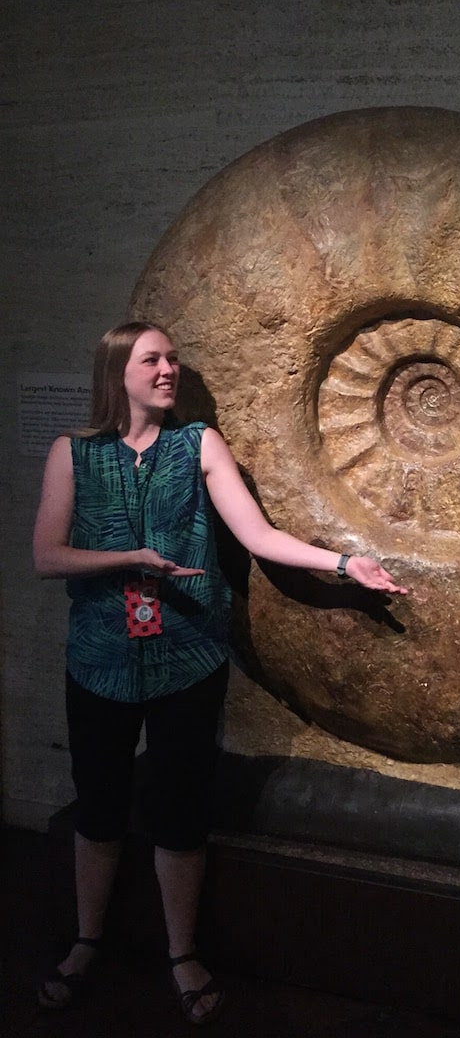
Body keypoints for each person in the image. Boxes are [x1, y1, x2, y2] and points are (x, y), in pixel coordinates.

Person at [32, 321, 407, 1024]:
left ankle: (181, 953)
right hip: (100, 661)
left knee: (179, 809)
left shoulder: (196, 444)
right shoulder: (72, 453)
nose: (169, 369)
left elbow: (257, 534)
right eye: (153, 360)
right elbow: (47, 555)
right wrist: (130, 560)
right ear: (119, 373)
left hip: (187, 659)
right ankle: (86, 942)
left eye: (174, 358)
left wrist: (342, 563)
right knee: (99, 804)